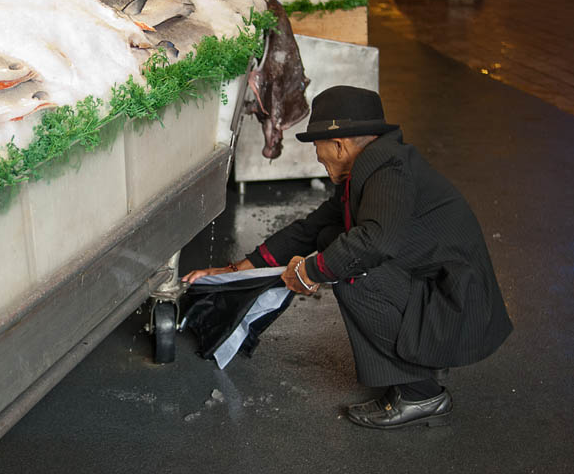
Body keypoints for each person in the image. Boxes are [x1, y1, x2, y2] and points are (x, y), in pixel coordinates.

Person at [183, 85, 512, 429]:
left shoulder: (389, 172)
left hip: (458, 311)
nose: (318, 157)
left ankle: (421, 393)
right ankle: (418, 366)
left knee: (351, 272)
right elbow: (313, 228)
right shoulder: (373, 167)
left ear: (339, 145)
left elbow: (376, 242)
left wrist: (310, 272)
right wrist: (236, 270)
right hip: (443, 296)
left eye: (318, 148)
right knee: (331, 240)